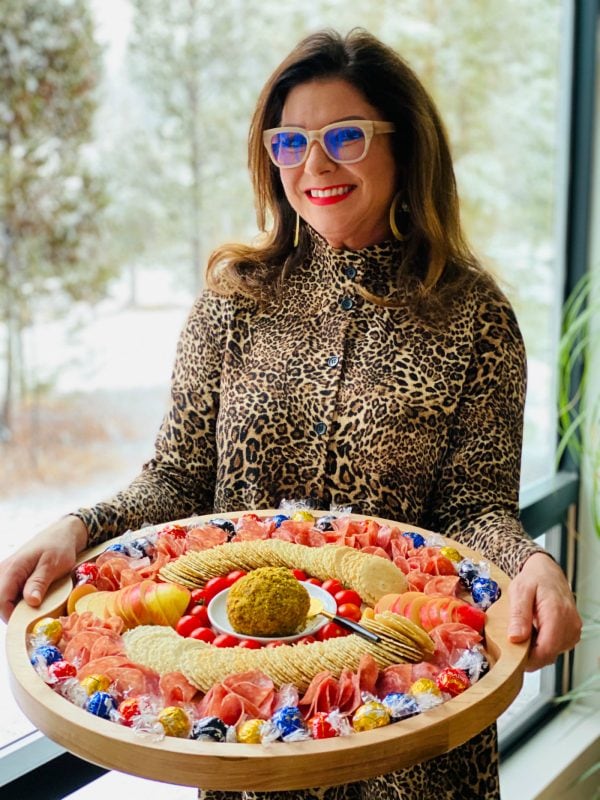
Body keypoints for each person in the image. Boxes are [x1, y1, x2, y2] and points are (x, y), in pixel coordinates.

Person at [0, 28, 581, 800]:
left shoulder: (473, 316)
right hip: (253, 733)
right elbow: (177, 479)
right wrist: (79, 525)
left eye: (345, 136)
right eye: (290, 142)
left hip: (411, 731)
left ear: (404, 150)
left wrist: (532, 563)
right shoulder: (233, 302)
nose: (315, 165)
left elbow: (475, 508)